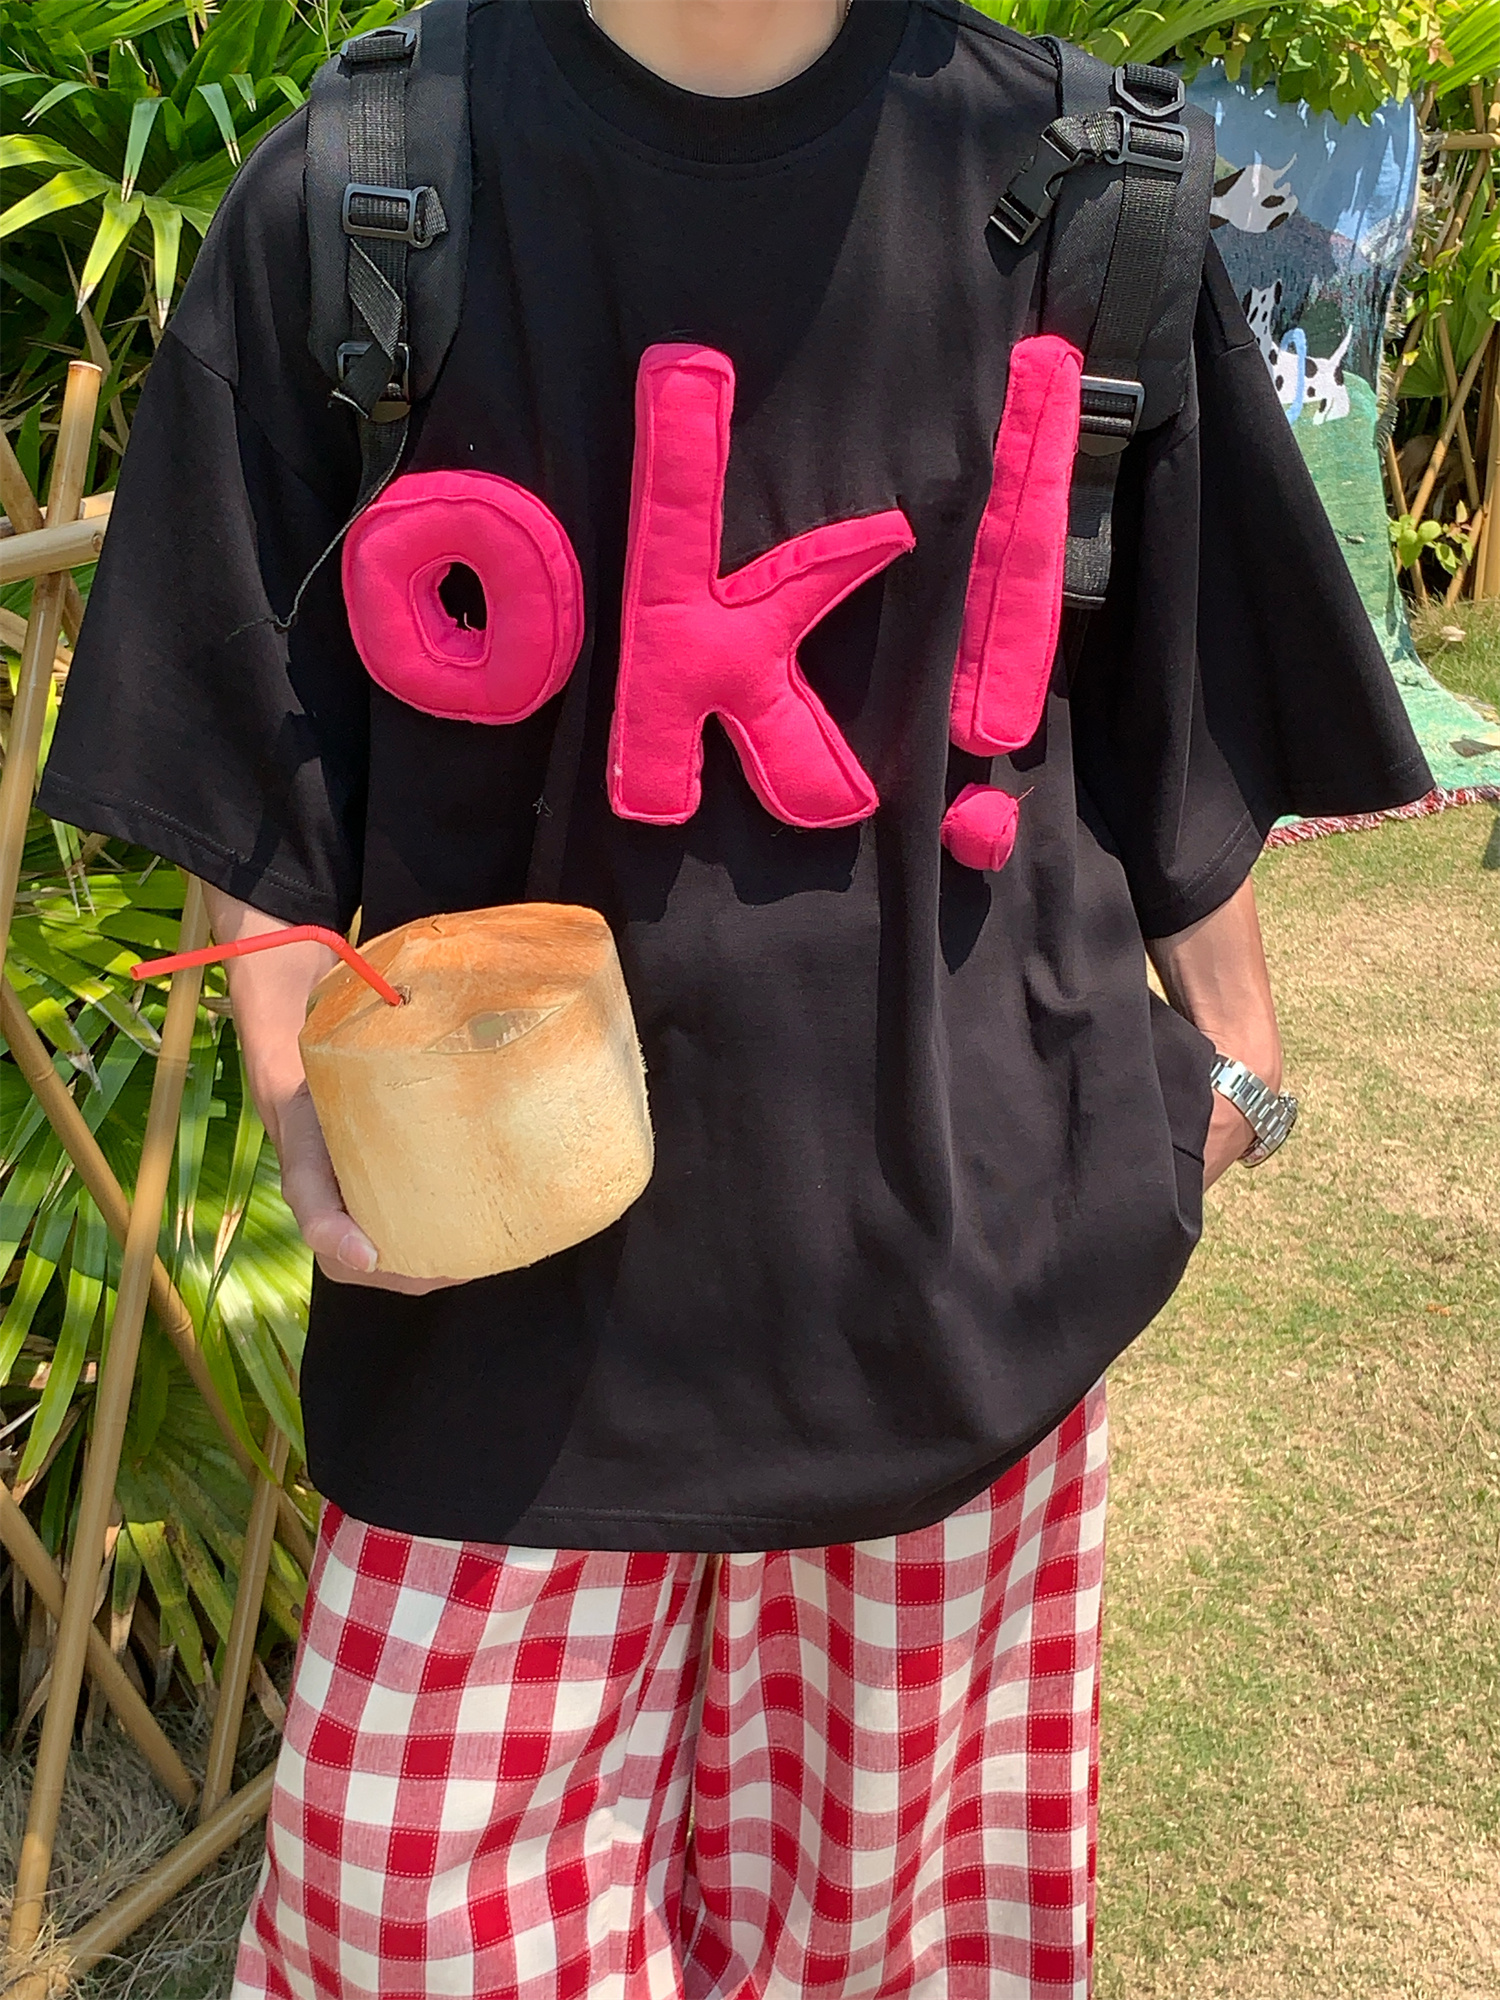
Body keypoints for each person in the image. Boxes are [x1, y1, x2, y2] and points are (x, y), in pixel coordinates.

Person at [39, 1, 1431, 1993]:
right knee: (405, 1923)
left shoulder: (1089, 188)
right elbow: (252, 738)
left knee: (896, 1953)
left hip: (955, 1328)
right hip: (495, 1341)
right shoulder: (365, 176)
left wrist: (1236, 1073)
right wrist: (293, 1085)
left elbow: (1170, 709)